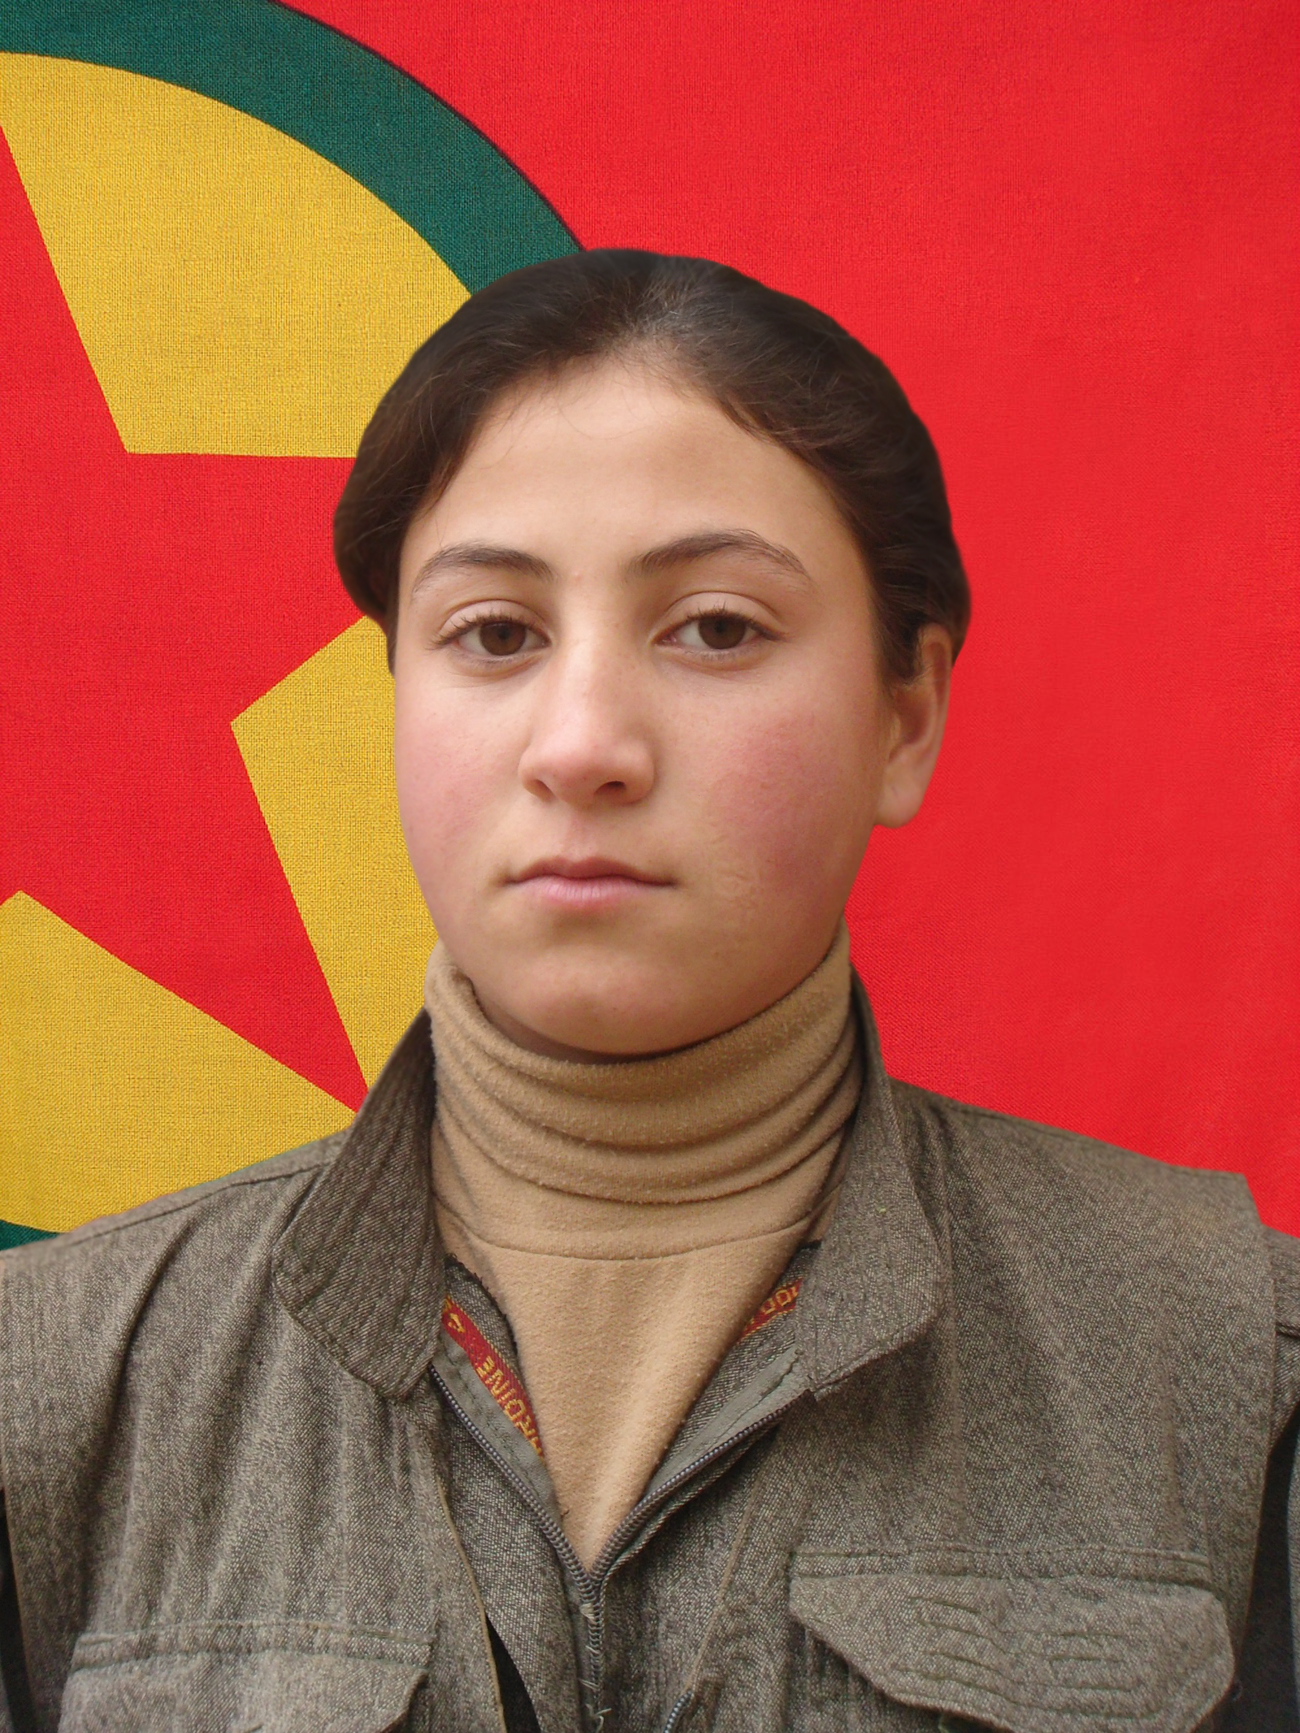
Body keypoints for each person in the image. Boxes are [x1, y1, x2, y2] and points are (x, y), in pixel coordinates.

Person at [0, 250, 1296, 1732]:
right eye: (496, 634)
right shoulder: (57, 1386)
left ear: (905, 714)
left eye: (718, 628)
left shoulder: (1220, 1363)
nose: (583, 745)